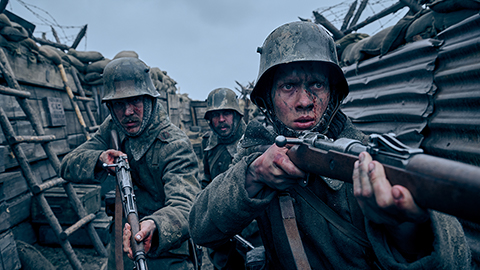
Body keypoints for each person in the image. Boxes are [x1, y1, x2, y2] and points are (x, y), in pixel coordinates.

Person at [188, 21, 471, 269]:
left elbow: (455, 260)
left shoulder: (362, 157)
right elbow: (201, 229)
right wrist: (252, 175)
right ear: (268, 100)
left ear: (333, 95)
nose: (304, 101)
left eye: (317, 85)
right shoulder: (257, 154)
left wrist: (408, 230)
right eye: (288, 87)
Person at [60, 57, 201, 269]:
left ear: (149, 100)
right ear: (110, 107)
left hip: (164, 248)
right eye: (119, 104)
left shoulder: (174, 144)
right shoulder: (113, 128)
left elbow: (186, 205)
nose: (127, 112)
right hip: (120, 246)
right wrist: (99, 159)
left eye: (135, 101)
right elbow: (67, 165)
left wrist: (153, 225)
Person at [201, 88, 262, 269]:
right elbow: (206, 181)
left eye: (226, 113)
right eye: (216, 115)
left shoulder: (254, 139)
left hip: (253, 231)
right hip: (222, 233)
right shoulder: (209, 143)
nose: (221, 120)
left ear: (236, 115)